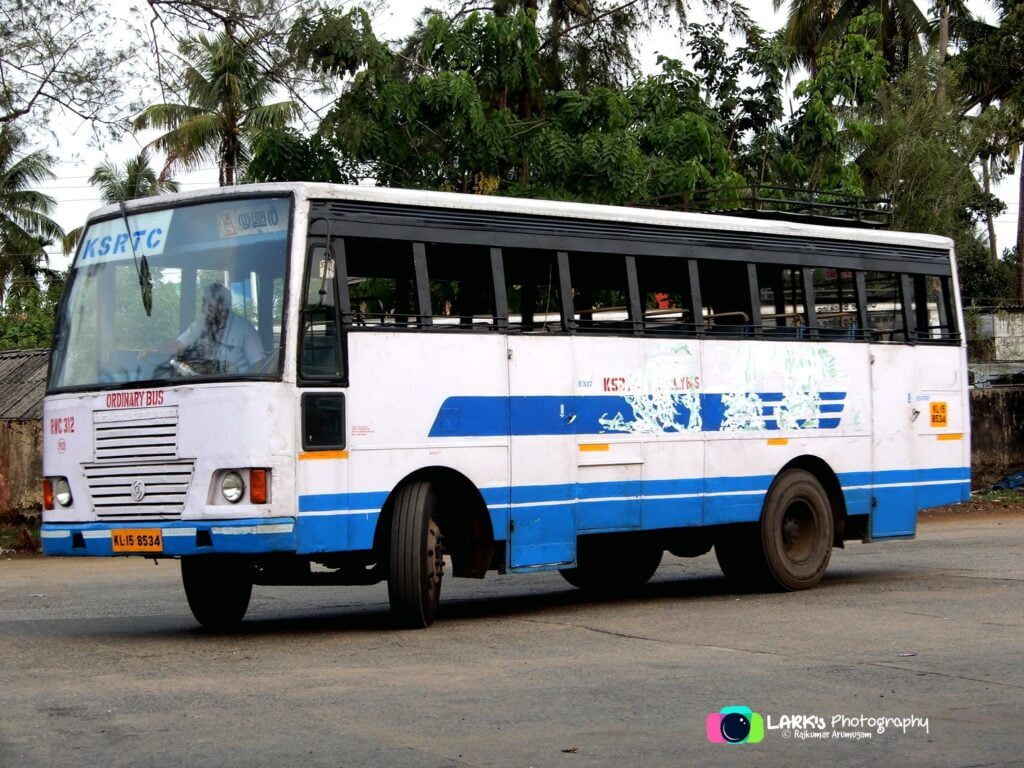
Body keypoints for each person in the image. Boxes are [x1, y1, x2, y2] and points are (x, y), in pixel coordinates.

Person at [161, 282, 265, 373]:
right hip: (201, 383)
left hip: (235, 387)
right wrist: (153, 350)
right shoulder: (200, 324)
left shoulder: (244, 328)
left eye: (209, 303)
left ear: (224, 304)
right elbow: (178, 346)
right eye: (204, 302)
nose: (204, 307)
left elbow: (259, 365)